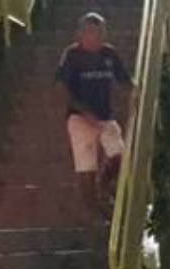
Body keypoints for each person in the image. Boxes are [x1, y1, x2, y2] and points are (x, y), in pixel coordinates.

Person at [56, 12, 133, 221]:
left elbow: (125, 80)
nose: (95, 37)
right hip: (79, 118)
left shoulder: (110, 54)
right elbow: (64, 89)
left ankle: (104, 184)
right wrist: (84, 112)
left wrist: (135, 94)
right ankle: (94, 212)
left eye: (99, 32)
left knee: (119, 155)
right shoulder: (72, 55)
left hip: (105, 116)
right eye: (90, 32)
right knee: (86, 168)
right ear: (81, 35)